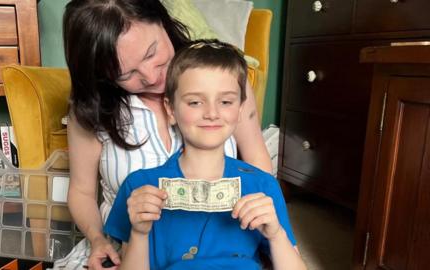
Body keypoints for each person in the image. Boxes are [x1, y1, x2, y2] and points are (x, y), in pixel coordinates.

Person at [56, 0, 275, 269]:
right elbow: (81, 191)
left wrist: (271, 233)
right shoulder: (93, 109)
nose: (149, 77)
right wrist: (97, 239)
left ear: (162, 21)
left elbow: (257, 162)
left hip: (218, 247)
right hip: (128, 250)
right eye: (126, 73)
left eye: (151, 53)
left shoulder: (221, 77)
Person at [104, 40, 306, 270]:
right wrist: (139, 233)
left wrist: (276, 234)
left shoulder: (262, 186)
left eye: (226, 101)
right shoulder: (140, 186)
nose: (211, 113)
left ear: (240, 109)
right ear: (171, 110)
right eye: (195, 102)